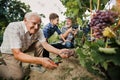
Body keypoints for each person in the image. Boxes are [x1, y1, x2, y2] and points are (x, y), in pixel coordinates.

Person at [0, 12, 73, 80]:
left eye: (39, 24)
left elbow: (45, 44)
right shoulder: (14, 27)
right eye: (34, 23)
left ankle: (35, 65)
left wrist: (59, 52)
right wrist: (41, 60)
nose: (36, 27)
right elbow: (17, 54)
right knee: (18, 77)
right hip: (10, 53)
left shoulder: (39, 30)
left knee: (40, 43)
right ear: (25, 20)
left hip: (23, 48)